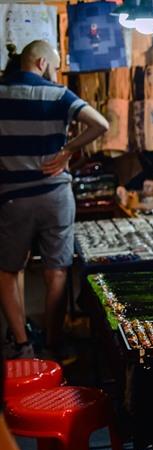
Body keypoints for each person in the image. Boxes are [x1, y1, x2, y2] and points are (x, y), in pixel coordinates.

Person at [0, 40, 109, 358]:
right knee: (57, 271)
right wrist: (67, 151)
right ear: (42, 63)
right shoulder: (58, 93)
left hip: (12, 198)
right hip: (55, 195)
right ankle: (53, 344)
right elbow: (100, 124)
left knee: (8, 271)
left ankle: (22, 346)